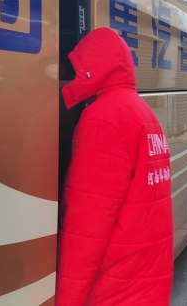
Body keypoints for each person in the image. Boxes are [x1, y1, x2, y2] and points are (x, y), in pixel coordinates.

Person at [56, 27, 173, 305]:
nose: (72, 75)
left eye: (78, 68)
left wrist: (66, 299)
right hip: (147, 281)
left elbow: (86, 228)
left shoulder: (102, 119)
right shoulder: (143, 113)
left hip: (115, 288)